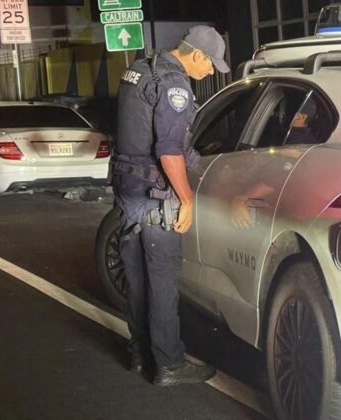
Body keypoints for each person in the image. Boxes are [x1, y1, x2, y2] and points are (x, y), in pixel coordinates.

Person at [111, 25, 230, 386]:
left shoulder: (140, 69)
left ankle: (140, 354)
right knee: (162, 281)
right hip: (155, 196)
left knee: (137, 279)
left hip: (128, 190)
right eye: (210, 64)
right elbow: (167, 150)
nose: (210, 72)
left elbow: (140, 133)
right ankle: (168, 363)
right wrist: (187, 199)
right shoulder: (175, 84)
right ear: (197, 54)